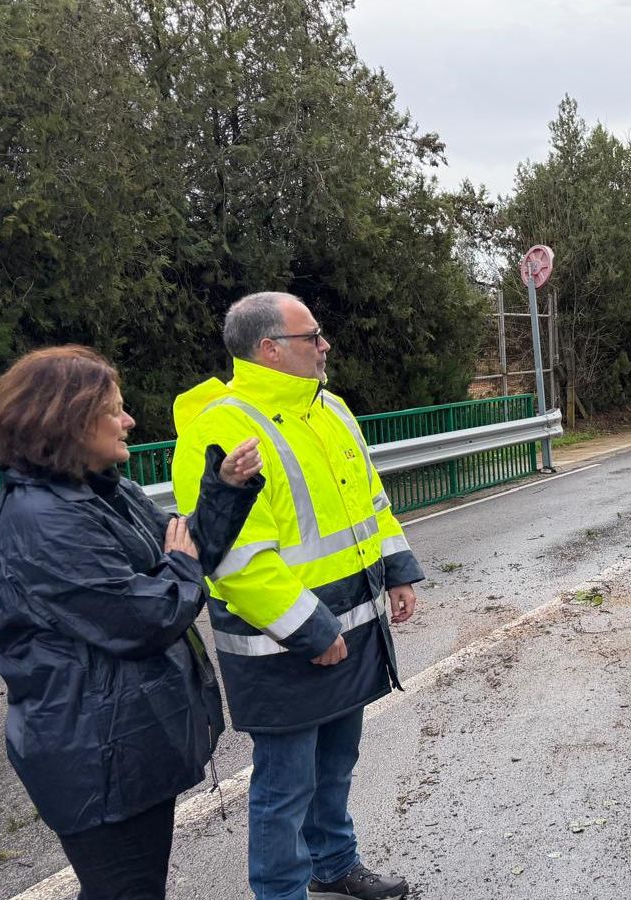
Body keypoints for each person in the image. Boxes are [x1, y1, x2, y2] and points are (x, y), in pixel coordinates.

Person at [0, 346, 263, 900]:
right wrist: (180, 564)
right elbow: (145, 616)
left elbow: (190, 551)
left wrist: (222, 489)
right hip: (95, 752)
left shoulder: (106, 491)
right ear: (68, 419)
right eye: (115, 410)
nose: (129, 421)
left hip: (124, 737)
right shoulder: (48, 521)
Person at [172, 292, 425, 900]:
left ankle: (334, 864)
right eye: (313, 335)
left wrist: (398, 570)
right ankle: (280, 891)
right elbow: (234, 559)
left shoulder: (330, 408)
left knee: (336, 765)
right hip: (282, 645)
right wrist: (312, 631)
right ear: (271, 349)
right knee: (285, 786)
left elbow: (370, 501)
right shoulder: (222, 426)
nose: (325, 345)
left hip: (353, 625)